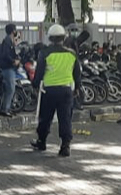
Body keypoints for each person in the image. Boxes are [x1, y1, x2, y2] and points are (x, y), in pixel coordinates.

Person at [30, 24, 82, 158]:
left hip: (49, 90)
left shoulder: (44, 53)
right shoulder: (72, 54)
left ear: (50, 38)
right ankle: (65, 146)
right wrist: (77, 88)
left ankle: (42, 142)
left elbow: (39, 72)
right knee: (65, 118)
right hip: (66, 90)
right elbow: (77, 73)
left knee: (45, 118)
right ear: (64, 38)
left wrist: (35, 86)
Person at [0, 24, 20, 117]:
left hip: (9, 68)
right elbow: (5, 54)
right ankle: (5, 109)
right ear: (13, 31)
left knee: (9, 89)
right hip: (8, 68)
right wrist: (13, 61)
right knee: (10, 89)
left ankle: (7, 108)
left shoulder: (10, 41)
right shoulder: (7, 41)